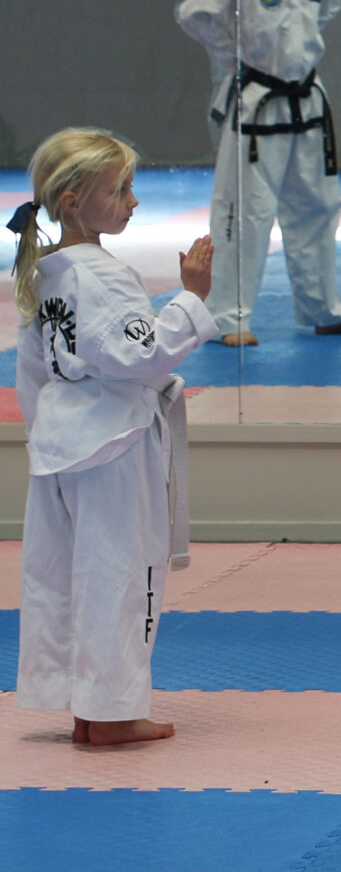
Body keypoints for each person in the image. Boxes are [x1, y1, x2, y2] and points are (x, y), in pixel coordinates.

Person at [12, 128, 216, 747]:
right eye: (120, 189)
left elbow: (32, 372)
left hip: (59, 443)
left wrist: (44, 434)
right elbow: (144, 355)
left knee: (63, 574)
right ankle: (113, 712)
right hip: (116, 445)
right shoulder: (104, 275)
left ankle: (82, 703)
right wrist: (191, 298)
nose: (133, 201)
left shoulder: (43, 272)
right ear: (73, 201)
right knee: (122, 572)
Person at [173, 0, 341, 346]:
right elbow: (194, 13)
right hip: (258, 103)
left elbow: (323, 17)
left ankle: (323, 308)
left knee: (318, 208)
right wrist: (235, 57)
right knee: (246, 212)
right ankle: (227, 318)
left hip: (305, 98)